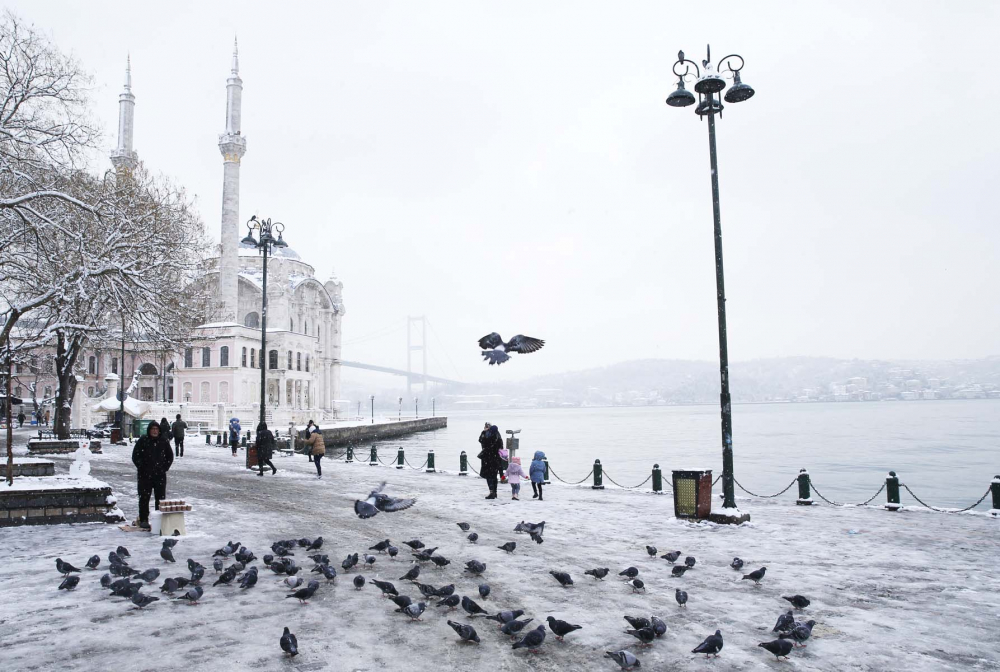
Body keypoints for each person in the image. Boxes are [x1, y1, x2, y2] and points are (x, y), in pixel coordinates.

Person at [131, 421, 174, 530]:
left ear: (159, 430)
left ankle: (158, 520)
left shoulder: (163, 441)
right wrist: (142, 467)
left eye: (156, 429)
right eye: (153, 429)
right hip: (144, 476)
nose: (155, 431)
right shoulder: (143, 441)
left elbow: (170, 456)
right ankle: (144, 519)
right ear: (149, 430)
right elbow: (135, 456)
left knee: (160, 498)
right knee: (144, 498)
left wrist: (164, 468)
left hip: (159, 475)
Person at [477, 423, 503, 500]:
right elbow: (501, 447)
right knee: (494, 476)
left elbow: (482, 441)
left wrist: (484, 432)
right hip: (496, 459)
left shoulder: (488, 436)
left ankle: (492, 492)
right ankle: (495, 492)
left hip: (488, 459)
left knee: (489, 476)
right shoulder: (498, 435)